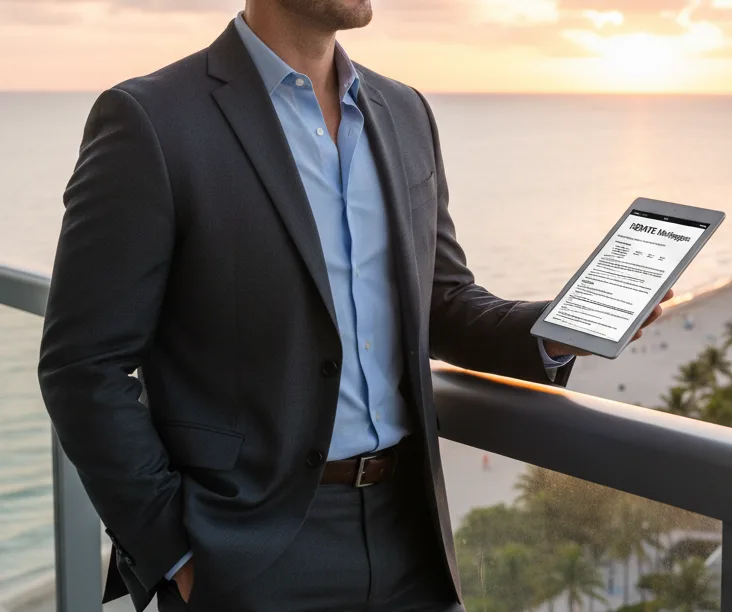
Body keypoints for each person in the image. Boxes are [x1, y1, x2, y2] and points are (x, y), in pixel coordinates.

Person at [36, 1, 671, 611]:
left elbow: (443, 302)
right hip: (246, 548)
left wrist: (563, 328)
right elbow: (82, 365)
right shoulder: (151, 118)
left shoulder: (404, 110)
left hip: (409, 536)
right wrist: (176, 554)